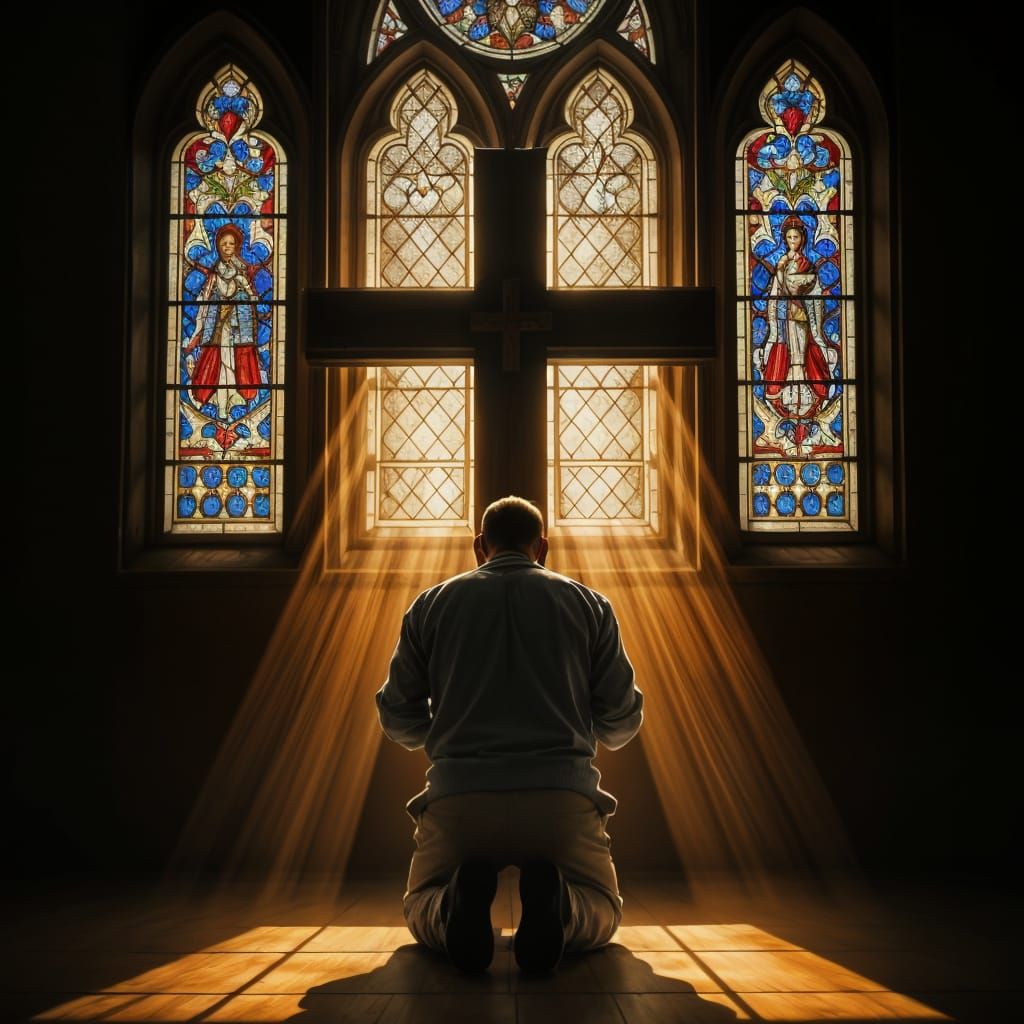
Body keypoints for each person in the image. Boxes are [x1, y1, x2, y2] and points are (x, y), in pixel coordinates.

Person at [375, 495, 644, 974]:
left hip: (461, 797)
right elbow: (622, 720)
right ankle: (561, 909)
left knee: (420, 905)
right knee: (603, 909)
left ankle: (453, 906)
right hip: (561, 797)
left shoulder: (431, 605)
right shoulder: (589, 604)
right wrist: (581, 727)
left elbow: (396, 714)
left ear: (480, 545)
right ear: (543, 545)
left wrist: (443, 734)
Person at [755, 216, 839, 449]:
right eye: (789, 237)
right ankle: (789, 388)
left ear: (803, 239)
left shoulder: (807, 263)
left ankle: (805, 383)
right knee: (787, 348)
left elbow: (814, 288)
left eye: (797, 237)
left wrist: (801, 288)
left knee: (803, 346)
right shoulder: (782, 262)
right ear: (785, 239)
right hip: (786, 316)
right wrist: (781, 270)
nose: (793, 241)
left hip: (801, 313)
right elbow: (776, 292)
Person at [183, 223, 262, 419]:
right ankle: (221, 401)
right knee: (220, 361)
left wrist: (244, 300)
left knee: (235, 361)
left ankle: (233, 395)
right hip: (218, 327)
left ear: (237, 246)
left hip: (238, 328)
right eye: (224, 244)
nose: (227, 247)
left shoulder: (242, 271)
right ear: (218, 246)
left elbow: (251, 297)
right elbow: (205, 298)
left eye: (231, 244)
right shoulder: (214, 272)